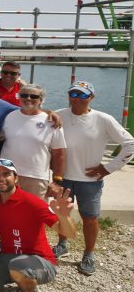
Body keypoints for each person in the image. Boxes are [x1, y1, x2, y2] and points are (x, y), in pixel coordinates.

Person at [52, 81, 134, 275]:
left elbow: (130, 144)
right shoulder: (58, 115)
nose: (76, 99)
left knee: (89, 219)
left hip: (90, 182)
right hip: (63, 177)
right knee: (62, 215)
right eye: (73, 94)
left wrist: (108, 168)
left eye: (82, 95)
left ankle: (89, 253)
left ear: (91, 98)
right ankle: (62, 244)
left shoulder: (103, 119)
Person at [0, 159, 77, 292]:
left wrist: (64, 216)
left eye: (6, 174)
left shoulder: (32, 202)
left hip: (40, 261)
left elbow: (70, 233)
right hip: (8, 256)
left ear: (16, 178)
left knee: (18, 268)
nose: (0, 178)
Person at [1, 84, 66, 200]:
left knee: (35, 215)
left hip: (36, 177)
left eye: (34, 96)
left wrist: (57, 181)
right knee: (5, 212)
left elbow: (59, 154)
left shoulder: (52, 121)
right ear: (19, 97)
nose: (28, 98)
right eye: (24, 95)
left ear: (41, 100)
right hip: (7, 174)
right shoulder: (9, 116)